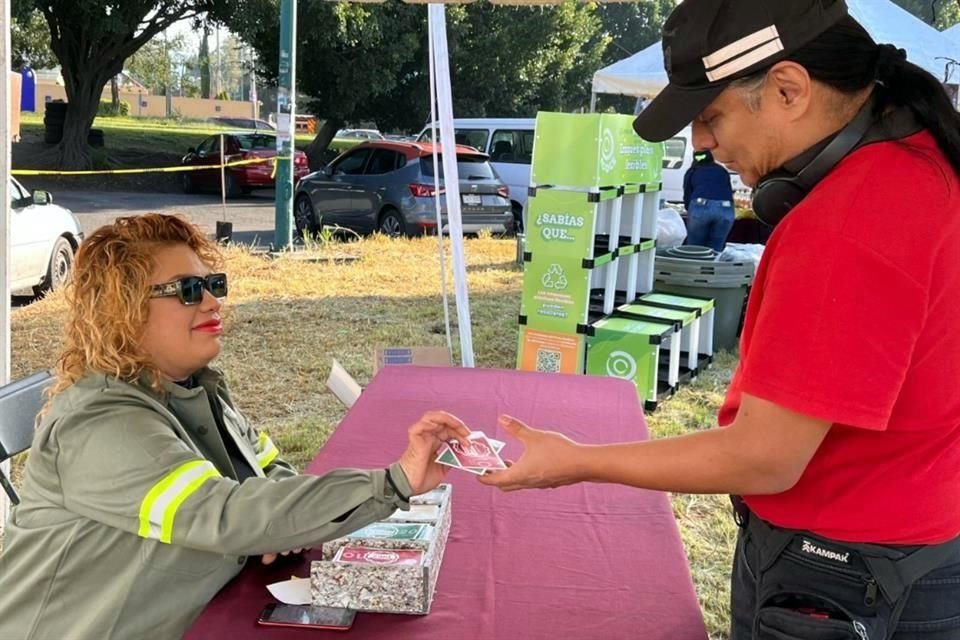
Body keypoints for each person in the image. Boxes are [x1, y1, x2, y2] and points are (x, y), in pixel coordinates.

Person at [481, 1, 960, 638]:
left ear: (788, 89)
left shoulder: (845, 224)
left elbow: (765, 458)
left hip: (846, 577)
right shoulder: (925, 164)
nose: (702, 142)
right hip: (915, 553)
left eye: (710, 116)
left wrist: (577, 461)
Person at [0, 214, 470, 640]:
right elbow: (225, 515)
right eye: (187, 289)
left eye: (213, 284)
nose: (212, 302)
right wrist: (394, 483)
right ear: (121, 309)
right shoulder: (100, 423)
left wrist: (281, 528)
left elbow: (269, 476)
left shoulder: (193, 389)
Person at [682, 149, 736, 252]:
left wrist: (689, 209)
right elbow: (728, 190)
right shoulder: (722, 170)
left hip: (701, 205)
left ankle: (694, 267)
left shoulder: (693, 170)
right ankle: (712, 266)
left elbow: (687, 193)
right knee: (716, 248)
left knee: (694, 248)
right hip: (725, 208)